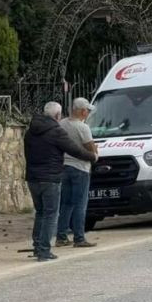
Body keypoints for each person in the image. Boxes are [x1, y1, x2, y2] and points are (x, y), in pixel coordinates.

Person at [25, 101, 98, 260]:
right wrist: (93, 157)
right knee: (51, 214)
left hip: (32, 178)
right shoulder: (56, 131)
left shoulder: (30, 132)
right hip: (50, 177)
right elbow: (75, 150)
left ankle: (37, 247)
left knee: (41, 213)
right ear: (57, 115)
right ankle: (44, 250)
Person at [55, 98, 99, 248]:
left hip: (64, 167)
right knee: (80, 204)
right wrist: (95, 153)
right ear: (82, 111)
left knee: (66, 203)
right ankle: (79, 238)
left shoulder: (62, 124)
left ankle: (61, 236)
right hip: (80, 168)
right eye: (87, 110)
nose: (87, 113)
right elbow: (90, 148)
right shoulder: (83, 127)